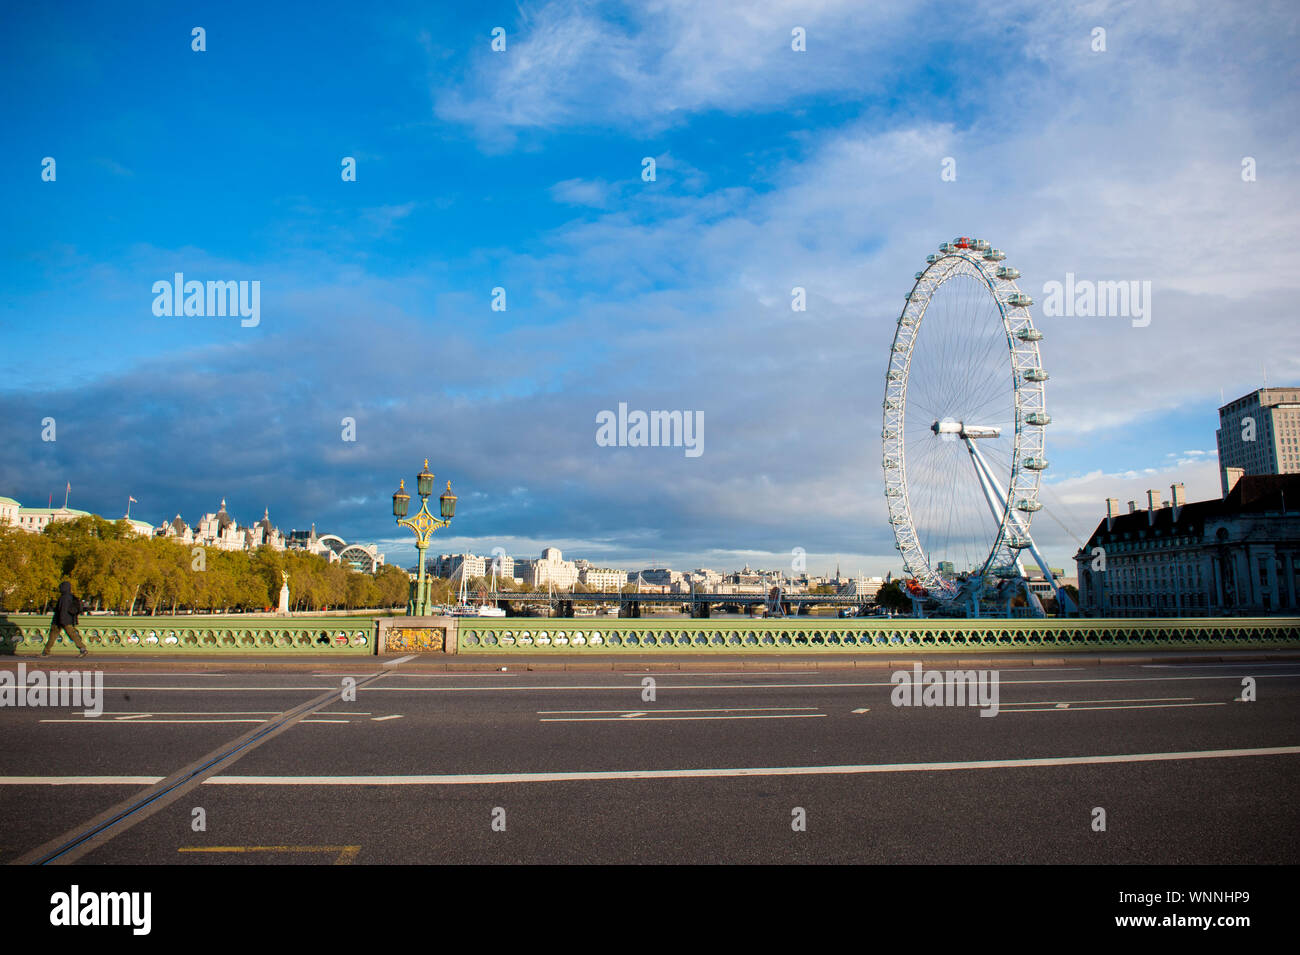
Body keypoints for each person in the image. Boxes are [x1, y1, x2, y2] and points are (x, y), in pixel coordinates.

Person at [44, 581, 88, 657]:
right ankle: (82, 649)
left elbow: (62, 610)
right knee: (73, 635)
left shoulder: (63, 598)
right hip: (68, 619)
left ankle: (46, 652)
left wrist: (61, 620)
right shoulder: (71, 597)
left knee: (52, 636)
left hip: (60, 620)